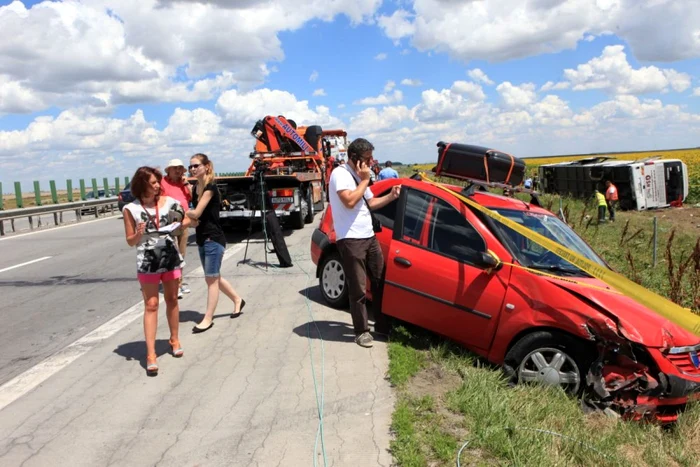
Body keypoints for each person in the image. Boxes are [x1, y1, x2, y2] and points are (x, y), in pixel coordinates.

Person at [328, 138, 400, 348]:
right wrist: (364, 180)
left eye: (371, 158)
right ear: (354, 158)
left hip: (369, 236)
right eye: (367, 159)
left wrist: (392, 197)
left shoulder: (360, 176)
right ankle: (361, 332)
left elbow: (371, 202)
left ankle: (383, 326)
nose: (371, 162)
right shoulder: (340, 174)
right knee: (358, 289)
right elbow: (350, 201)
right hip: (350, 239)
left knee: (379, 281)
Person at [122, 166, 190, 376]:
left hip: (169, 256)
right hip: (148, 260)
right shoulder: (130, 209)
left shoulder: (169, 202)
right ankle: (151, 354)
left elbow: (187, 219)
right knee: (151, 304)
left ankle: (174, 338)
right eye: (153, 183)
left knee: (172, 299)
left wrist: (178, 224)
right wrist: (138, 233)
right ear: (142, 185)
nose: (158, 186)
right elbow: (130, 241)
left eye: (158, 182)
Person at [185, 153, 245, 333]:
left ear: (206, 167)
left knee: (210, 279)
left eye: (196, 166)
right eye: (191, 167)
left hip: (213, 238)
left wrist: (183, 211)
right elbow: (196, 216)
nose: (193, 169)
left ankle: (208, 318)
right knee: (214, 276)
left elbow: (196, 214)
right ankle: (237, 300)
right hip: (202, 237)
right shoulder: (196, 187)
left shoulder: (210, 188)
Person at [160, 158, 193, 298]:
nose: (178, 171)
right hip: (169, 222)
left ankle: (179, 282)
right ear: (169, 170)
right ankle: (173, 285)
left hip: (183, 221)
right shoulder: (162, 183)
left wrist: (187, 184)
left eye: (180, 168)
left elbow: (193, 197)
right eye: (175, 168)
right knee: (172, 254)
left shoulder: (183, 183)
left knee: (182, 254)